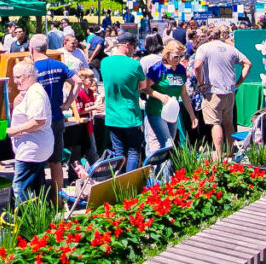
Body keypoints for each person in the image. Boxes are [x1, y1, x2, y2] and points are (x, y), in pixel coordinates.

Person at [29, 34, 79, 202]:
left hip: (38, 120)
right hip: (57, 117)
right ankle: (57, 201)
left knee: (37, 161)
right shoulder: (59, 65)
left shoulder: (31, 68)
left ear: (31, 49)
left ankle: (40, 201)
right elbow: (77, 81)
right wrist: (67, 104)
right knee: (56, 162)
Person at [193, 26, 251, 162]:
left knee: (215, 123)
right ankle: (230, 153)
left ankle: (219, 156)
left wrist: (201, 83)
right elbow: (248, 64)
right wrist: (239, 82)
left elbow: (197, 66)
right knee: (228, 123)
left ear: (208, 36)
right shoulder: (230, 48)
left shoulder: (204, 48)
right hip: (229, 91)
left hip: (212, 91)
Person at [7, 60, 53, 203]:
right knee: (36, 185)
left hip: (32, 149)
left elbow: (38, 120)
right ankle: (38, 217)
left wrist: (16, 130)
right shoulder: (32, 92)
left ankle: (23, 220)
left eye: (18, 77)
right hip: (34, 147)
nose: (15, 81)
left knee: (20, 186)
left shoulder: (35, 93)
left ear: (28, 76)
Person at [100, 33, 146, 172]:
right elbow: (143, 86)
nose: (134, 50)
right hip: (131, 115)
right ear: (127, 45)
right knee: (133, 151)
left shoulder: (105, 62)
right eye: (133, 47)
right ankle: (129, 184)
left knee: (118, 152)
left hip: (112, 116)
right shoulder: (134, 64)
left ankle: (118, 182)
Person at [144, 41, 197, 150]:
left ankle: (163, 165)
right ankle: (162, 166)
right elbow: (145, 88)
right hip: (156, 111)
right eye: (176, 56)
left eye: (181, 56)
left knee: (170, 141)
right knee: (168, 144)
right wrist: (161, 96)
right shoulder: (158, 68)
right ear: (167, 54)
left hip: (172, 113)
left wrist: (192, 115)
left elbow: (184, 94)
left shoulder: (181, 69)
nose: (179, 59)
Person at [72, 68, 101, 164]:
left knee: (92, 151)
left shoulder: (91, 92)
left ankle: (95, 170)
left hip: (89, 125)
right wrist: (93, 107)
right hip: (80, 127)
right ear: (83, 81)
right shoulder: (79, 93)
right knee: (78, 154)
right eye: (90, 79)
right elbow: (78, 112)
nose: (93, 81)